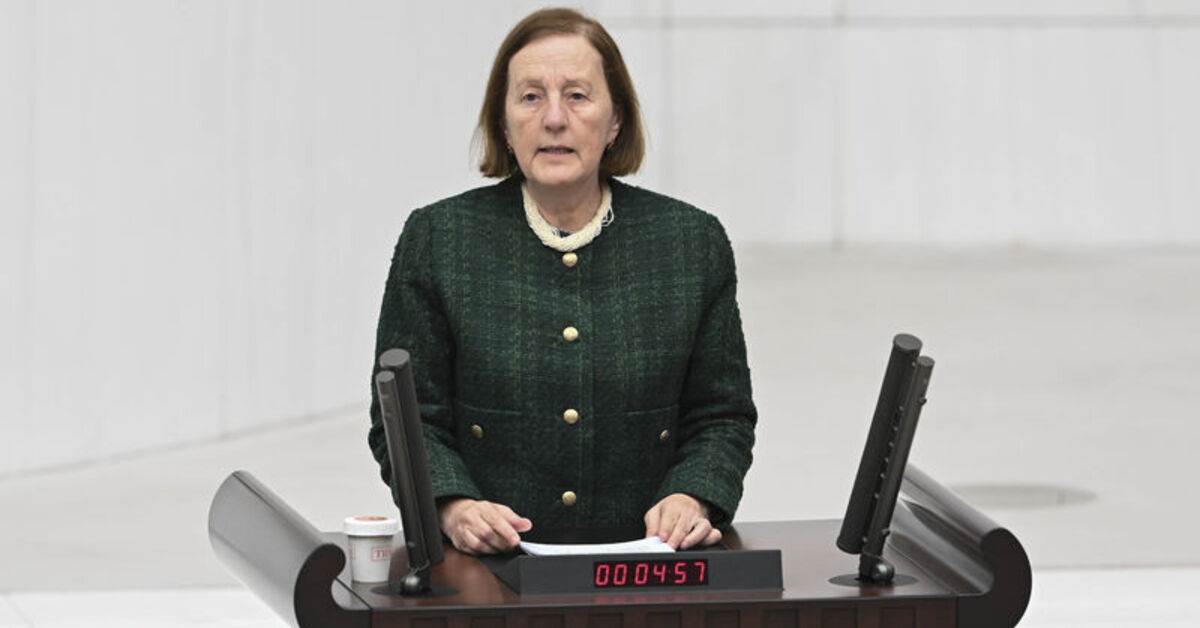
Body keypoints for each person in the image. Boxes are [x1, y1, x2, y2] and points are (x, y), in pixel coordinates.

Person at [368, 7, 756, 556]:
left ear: (615, 121)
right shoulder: (439, 238)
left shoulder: (690, 241)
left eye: (577, 95)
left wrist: (693, 495)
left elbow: (722, 415)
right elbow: (405, 421)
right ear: (504, 125)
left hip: (648, 564)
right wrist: (453, 507)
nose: (554, 118)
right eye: (530, 97)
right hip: (490, 565)